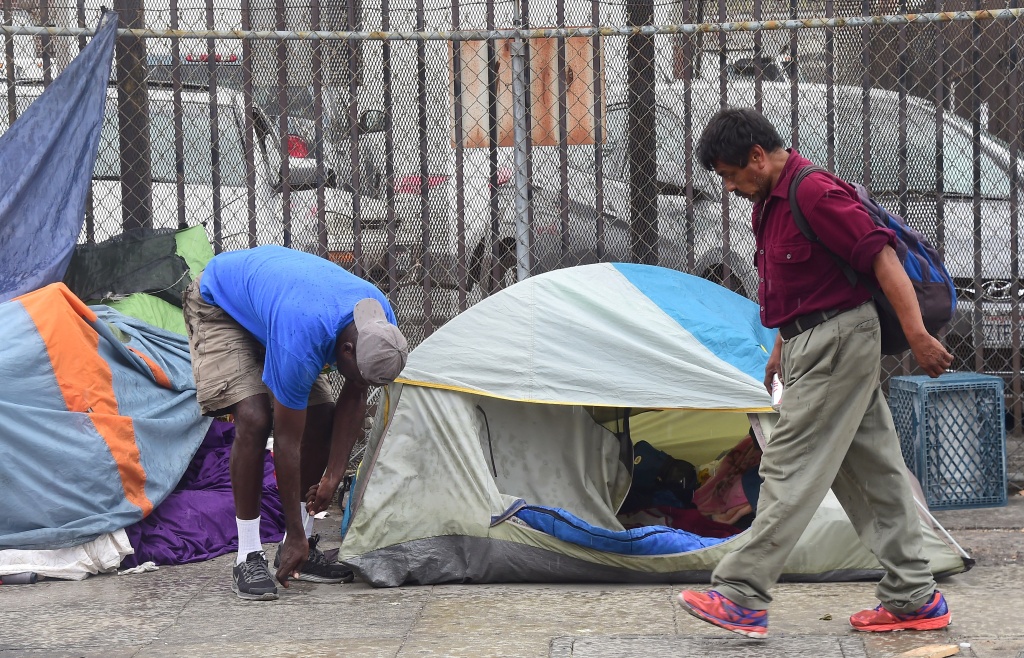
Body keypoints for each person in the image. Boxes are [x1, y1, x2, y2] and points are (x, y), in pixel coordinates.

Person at [678, 107, 955, 638]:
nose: (731, 187)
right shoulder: (771, 201)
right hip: (816, 342)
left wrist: (918, 335)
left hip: (837, 345)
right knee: (876, 474)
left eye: (733, 175)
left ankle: (741, 595)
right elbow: (806, 281)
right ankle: (914, 597)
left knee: (788, 467)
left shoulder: (814, 194)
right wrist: (783, 343)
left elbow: (884, 260)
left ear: (757, 156)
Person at [182, 245, 408, 601]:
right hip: (220, 305)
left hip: (278, 309)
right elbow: (286, 442)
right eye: (360, 374)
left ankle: (298, 547)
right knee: (255, 418)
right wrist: (295, 531)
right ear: (346, 351)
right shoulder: (302, 337)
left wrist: (333, 475)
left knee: (320, 418)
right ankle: (249, 555)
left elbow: (355, 392)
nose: (362, 383)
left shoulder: (380, 323)